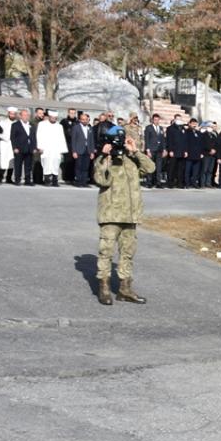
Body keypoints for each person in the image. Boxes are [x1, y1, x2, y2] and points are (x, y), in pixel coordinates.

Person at [93, 126, 156, 305]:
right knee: (106, 252)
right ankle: (104, 288)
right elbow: (102, 180)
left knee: (128, 253)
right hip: (111, 214)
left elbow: (151, 168)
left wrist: (135, 151)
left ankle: (124, 289)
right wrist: (104, 156)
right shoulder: (104, 159)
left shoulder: (132, 159)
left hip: (130, 215)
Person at [35, 110, 68, 186]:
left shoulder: (59, 126)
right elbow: (39, 136)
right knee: (46, 164)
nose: (53, 119)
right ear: (49, 117)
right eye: (52, 117)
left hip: (56, 149)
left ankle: (54, 181)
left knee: (55, 164)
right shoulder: (42, 124)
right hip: (46, 148)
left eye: (55, 117)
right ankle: (47, 180)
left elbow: (62, 138)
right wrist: (39, 147)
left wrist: (62, 149)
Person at [10, 109, 36, 186]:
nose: (26, 117)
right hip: (19, 148)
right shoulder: (15, 125)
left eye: (27, 115)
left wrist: (34, 147)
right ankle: (17, 180)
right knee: (18, 165)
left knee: (28, 166)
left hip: (29, 148)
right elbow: (12, 137)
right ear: (20, 116)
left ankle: (27, 180)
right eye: (24, 115)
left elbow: (34, 137)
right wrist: (14, 147)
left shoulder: (31, 125)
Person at [69, 111, 95, 187]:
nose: (84, 121)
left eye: (86, 119)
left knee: (86, 167)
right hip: (79, 150)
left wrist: (92, 152)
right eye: (83, 119)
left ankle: (84, 182)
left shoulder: (90, 128)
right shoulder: (76, 128)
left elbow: (91, 140)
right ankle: (79, 181)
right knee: (79, 166)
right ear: (80, 120)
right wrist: (74, 151)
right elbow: (73, 140)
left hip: (87, 150)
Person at [143, 113, 166, 188]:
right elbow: (146, 139)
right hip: (151, 149)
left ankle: (158, 182)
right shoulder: (148, 128)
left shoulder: (161, 128)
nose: (156, 121)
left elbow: (163, 140)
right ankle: (149, 182)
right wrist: (148, 150)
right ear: (152, 120)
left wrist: (164, 149)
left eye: (158, 120)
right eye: (155, 119)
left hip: (159, 150)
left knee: (158, 167)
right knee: (150, 166)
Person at [164, 116, 186, 188]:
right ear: (174, 119)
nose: (179, 120)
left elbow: (185, 140)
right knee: (171, 168)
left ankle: (179, 183)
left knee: (180, 169)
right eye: (177, 119)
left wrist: (185, 151)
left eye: (180, 119)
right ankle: (170, 183)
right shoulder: (170, 128)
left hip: (181, 151)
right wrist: (170, 150)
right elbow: (169, 140)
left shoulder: (183, 128)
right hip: (173, 151)